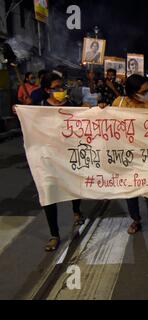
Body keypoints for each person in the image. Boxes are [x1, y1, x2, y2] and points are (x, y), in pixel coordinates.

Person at [109, 74, 148, 240]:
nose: (147, 94)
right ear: (132, 92)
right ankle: (136, 220)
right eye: (143, 91)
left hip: (147, 155)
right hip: (126, 155)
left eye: (147, 90)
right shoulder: (118, 103)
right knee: (130, 191)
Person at [38, 72, 87, 251]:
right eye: (55, 88)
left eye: (61, 87)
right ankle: (54, 235)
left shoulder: (71, 106)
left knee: (74, 187)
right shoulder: (39, 109)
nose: (60, 91)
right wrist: (19, 111)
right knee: (49, 194)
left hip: (69, 156)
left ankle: (76, 211)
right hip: (48, 159)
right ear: (46, 90)